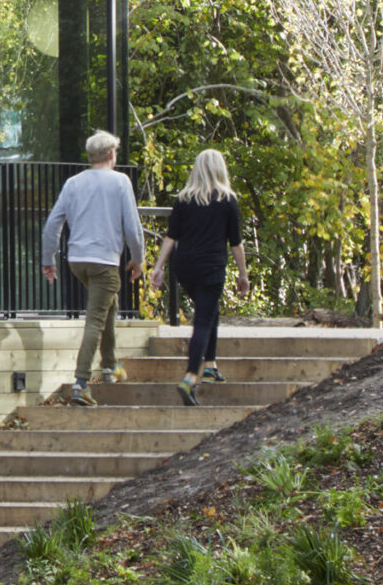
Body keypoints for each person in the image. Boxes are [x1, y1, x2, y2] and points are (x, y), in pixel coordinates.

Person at [39, 130, 145, 406]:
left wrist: (48, 260)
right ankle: (81, 383)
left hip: (77, 261)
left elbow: (53, 224)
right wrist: (138, 258)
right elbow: (132, 228)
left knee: (109, 305)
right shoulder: (120, 182)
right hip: (104, 261)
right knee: (96, 318)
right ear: (112, 155)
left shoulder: (73, 183)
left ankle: (110, 366)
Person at [147, 148, 249, 405]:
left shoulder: (183, 199)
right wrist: (243, 275)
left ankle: (211, 367)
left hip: (185, 267)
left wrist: (159, 267)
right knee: (203, 320)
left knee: (209, 309)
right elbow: (236, 243)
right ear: (220, 169)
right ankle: (191, 375)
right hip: (211, 267)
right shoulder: (228, 199)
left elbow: (172, 237)